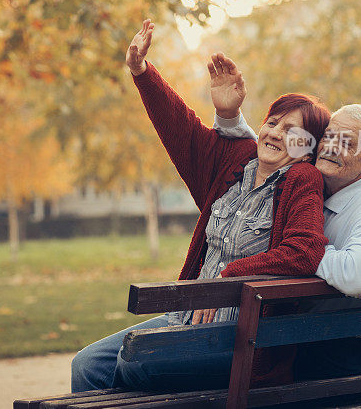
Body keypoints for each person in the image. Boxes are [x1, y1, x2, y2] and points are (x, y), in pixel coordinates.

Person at [71, 19, 331, 393]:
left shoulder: (302, 179)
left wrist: (230, 276)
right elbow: (181, 131)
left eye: (292, 131)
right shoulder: (236, 160)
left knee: (137, 362)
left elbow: (305, 251)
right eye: (272, 122)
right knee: (88, 365)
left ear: (308, 148)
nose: (275, 132)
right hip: (185, 318)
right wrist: (142, 72)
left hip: (243, 337)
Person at [212, 55, 361, 380]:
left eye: (346, 143)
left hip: (340, 348)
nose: (330, 146)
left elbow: (357, 277)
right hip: (310, 333)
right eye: (329, 136)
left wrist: (306, 250)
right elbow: (268, 147)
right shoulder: (321, 184)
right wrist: (230, 116)